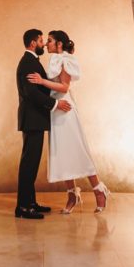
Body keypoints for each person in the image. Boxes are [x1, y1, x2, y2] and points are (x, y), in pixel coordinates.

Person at [28, 30, 111, 214]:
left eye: (49, 41)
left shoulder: (65, 59)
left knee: (77, 150)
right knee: (62, 154)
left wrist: (42, 82)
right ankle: (72, 194)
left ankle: (99, 190)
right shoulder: (54, 60)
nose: (46, 44)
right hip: (55, 110)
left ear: (59, 44)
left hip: (65, 109)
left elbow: (64, 86)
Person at [15, 28, 72, 219]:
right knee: (28, 164)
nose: (43, 44)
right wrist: (55, 104)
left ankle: (31, 202)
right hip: (32, 119)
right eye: (41, 41)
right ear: (33, 43)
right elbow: (31, 93)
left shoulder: (32, 61)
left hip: (35, 119)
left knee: (32, 163)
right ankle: (23, 208)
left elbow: (40, 87)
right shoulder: (28, 63)